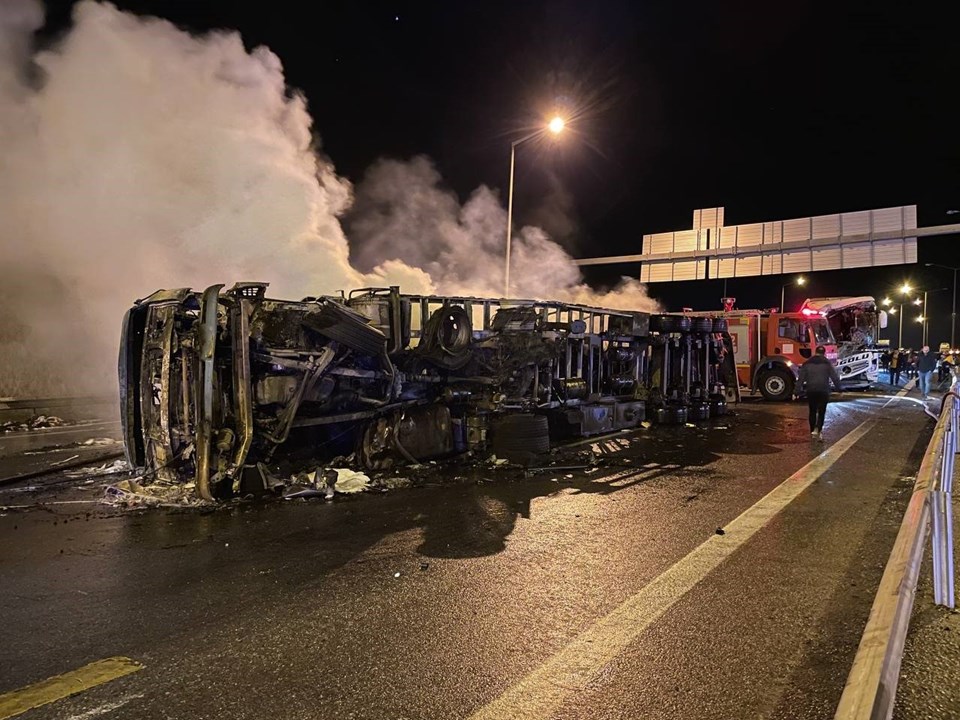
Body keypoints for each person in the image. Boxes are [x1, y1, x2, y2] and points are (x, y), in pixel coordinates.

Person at [798, 345, 843, 441]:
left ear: (815, 352)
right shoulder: (827, 363)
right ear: (824, 353)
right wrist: (839, 389)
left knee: (812, 411)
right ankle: (818, 429)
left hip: (811, 390)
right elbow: (834, 377)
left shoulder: (807, 363)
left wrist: (796, 391)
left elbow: (801, 379)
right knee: (822, 411)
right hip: (823, 390)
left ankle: (812, 430)